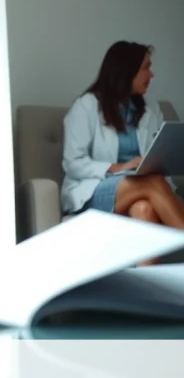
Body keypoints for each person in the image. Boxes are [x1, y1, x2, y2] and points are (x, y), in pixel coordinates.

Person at [61, 41, 184, 263]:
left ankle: (149, 293)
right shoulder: (86, 106)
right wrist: (118, 168)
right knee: (153, 182)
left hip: (138, 189)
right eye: (146, 67)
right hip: (93, 191)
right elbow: (73, 163)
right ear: (127, 70)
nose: (152, 74)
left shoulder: (149, 109)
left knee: (144, 209)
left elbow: (156, 152)